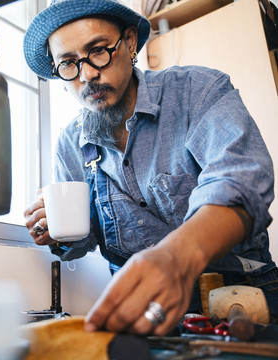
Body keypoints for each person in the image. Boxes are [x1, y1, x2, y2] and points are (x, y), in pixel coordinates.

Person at [22, 0, 278, 336]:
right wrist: (56, 233)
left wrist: (175, 257)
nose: (86, 75)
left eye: (98, 50)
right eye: (68, 64)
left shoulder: (197, 92)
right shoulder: (70, 145)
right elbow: (84, 236)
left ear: (129, 42)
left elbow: (241, 179)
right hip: (144, 309)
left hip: (242, 296)